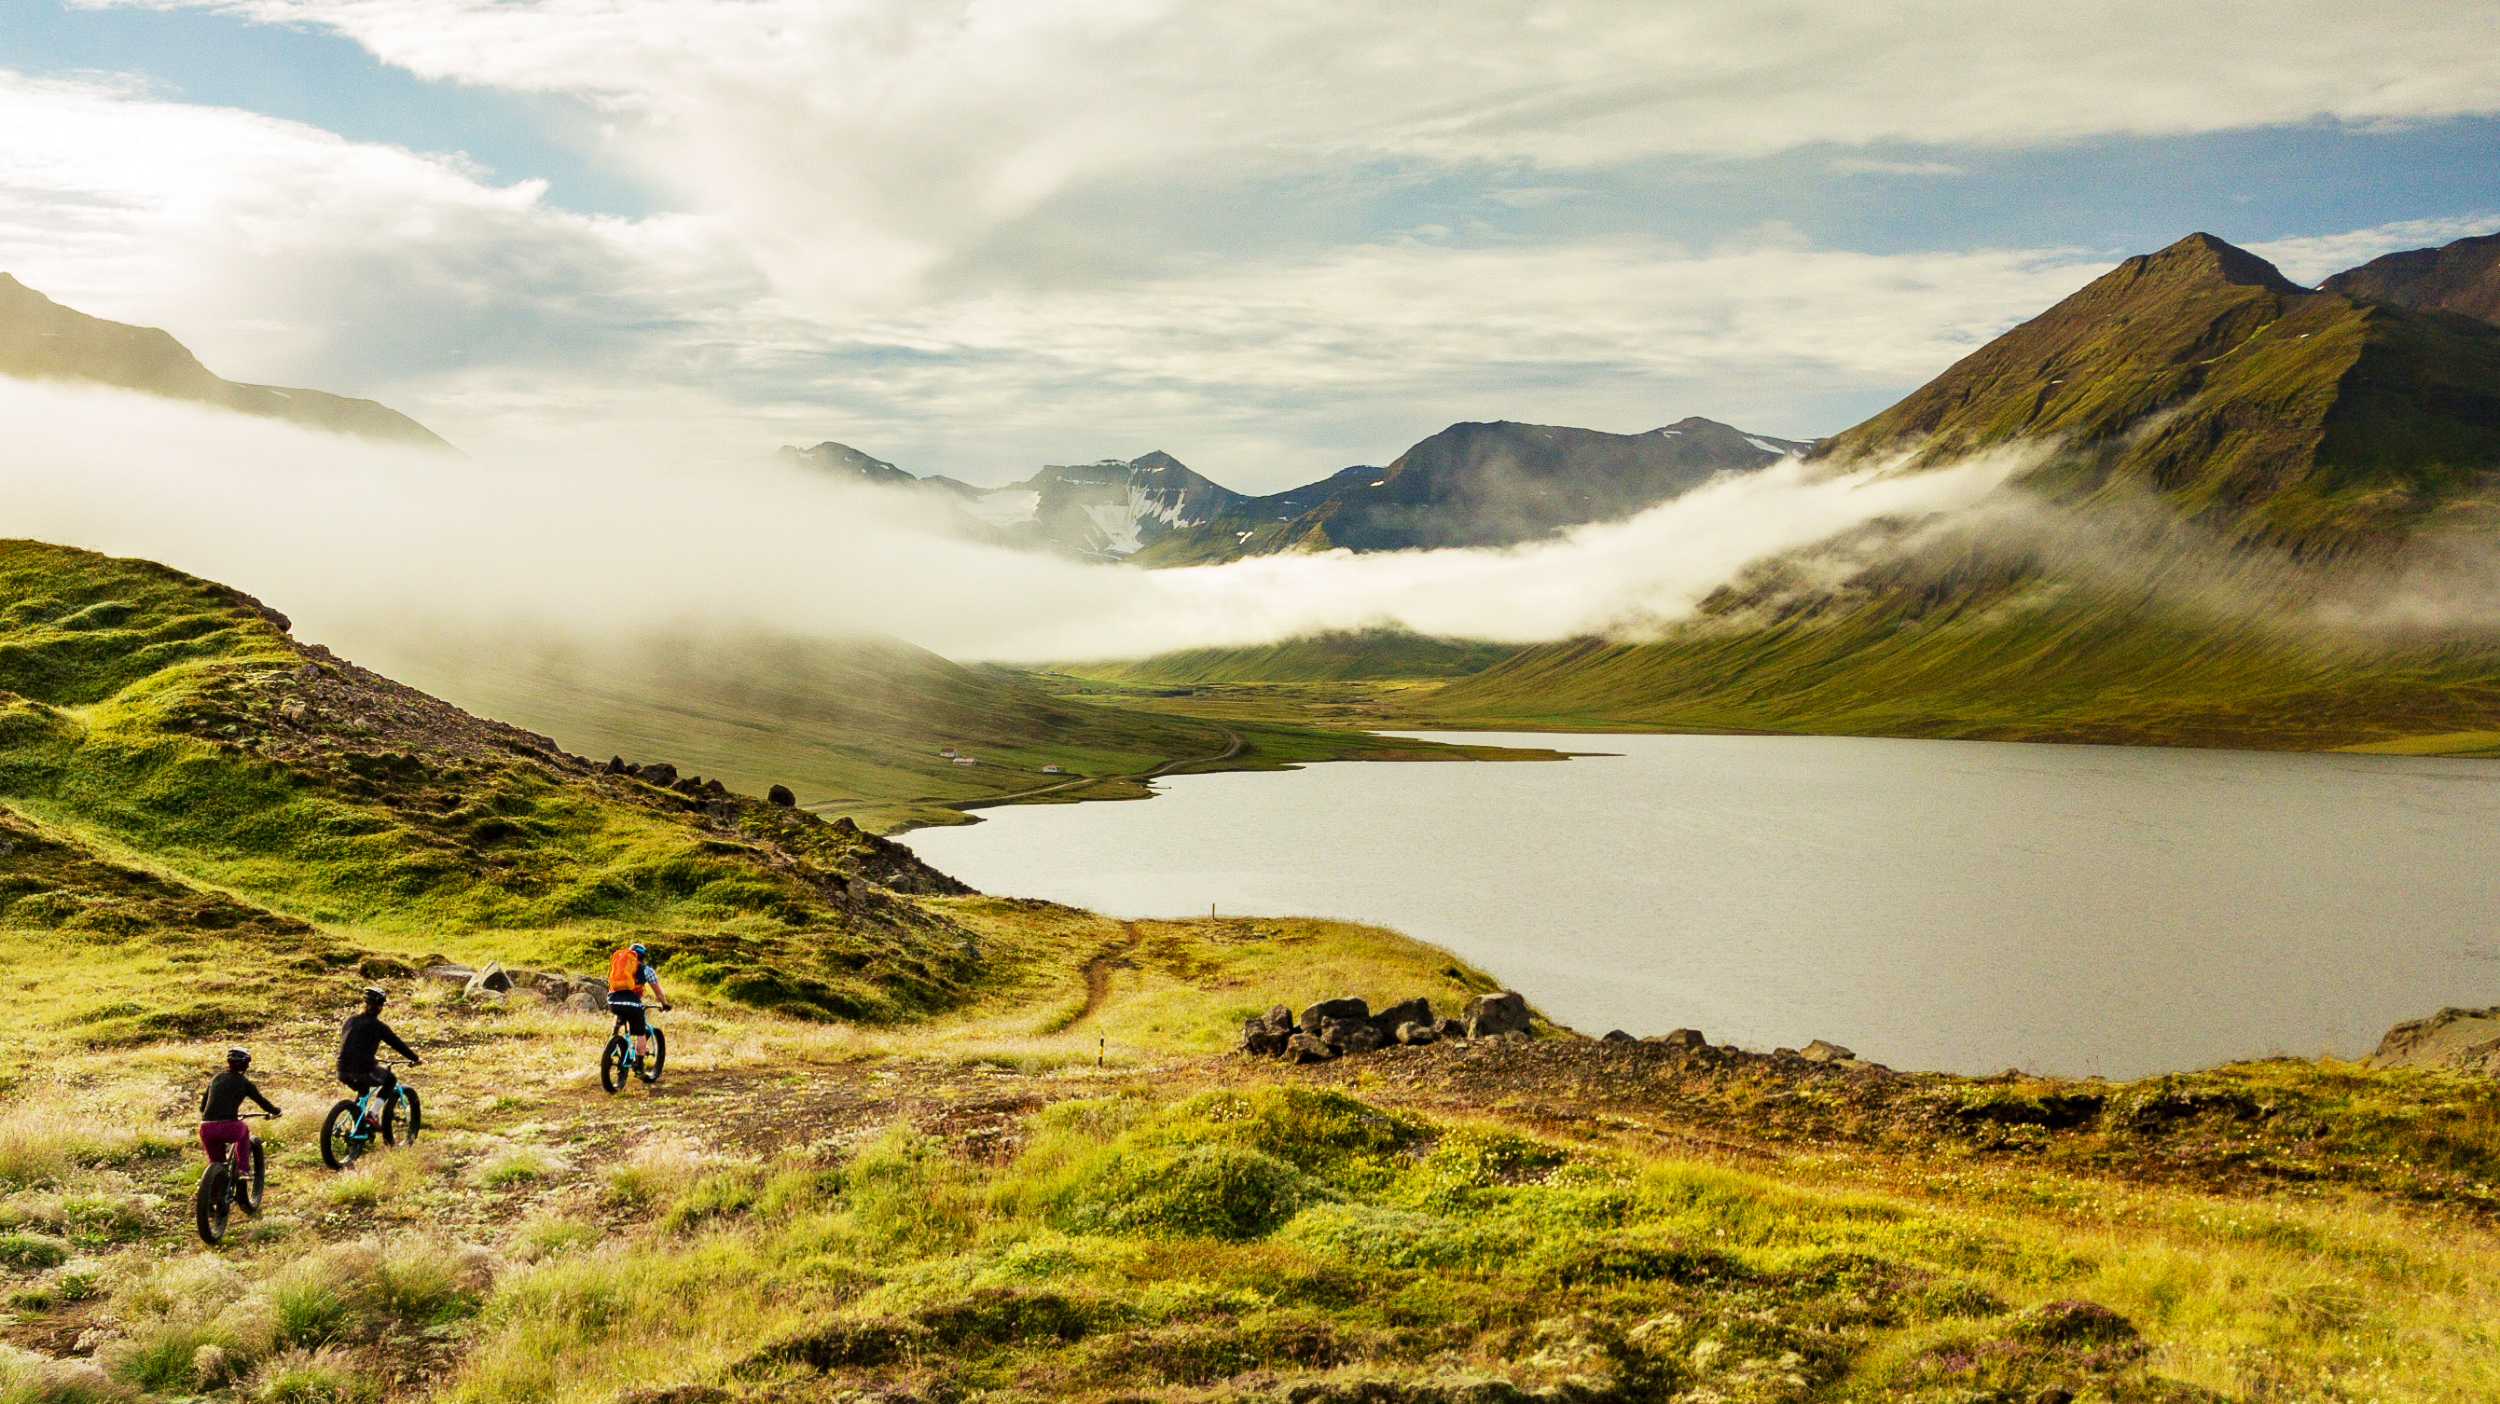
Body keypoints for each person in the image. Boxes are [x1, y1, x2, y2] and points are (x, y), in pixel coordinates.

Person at [336, 986, 419, 1128]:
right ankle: (373, 1114)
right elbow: (397, 1043)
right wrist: (415, 1058)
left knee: (363, 1091)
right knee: (390, 1080)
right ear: (381, 1007)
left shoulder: (349, 1020)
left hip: (342, 1070)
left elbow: (351, 1044)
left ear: (363, 1003)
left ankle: (358, 1128)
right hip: (363, 1071)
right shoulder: (378, 1026)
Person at [199, 1047, 279, 1169]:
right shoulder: (244, 1082)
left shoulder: (216, 1078)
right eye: (247, 1063)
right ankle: (243, 1169)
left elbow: (203, 1107)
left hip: (206, 1128)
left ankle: (215, 1176)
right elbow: (262, 1102)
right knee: (244, 1130)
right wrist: (276, 1111)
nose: (248, 1066)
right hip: (228, 1128)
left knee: (217, 1164)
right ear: (243, 1063)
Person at [607, 943, 669, 1061]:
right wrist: (664, 1004)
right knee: (641, 1033)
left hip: (613, 1001)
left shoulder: (620, 967)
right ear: (643, 957)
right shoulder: (646, 969)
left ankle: (613, 1037)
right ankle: (640, 1064)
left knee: (620, 1012)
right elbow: (658, 992)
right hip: (632, 1004)